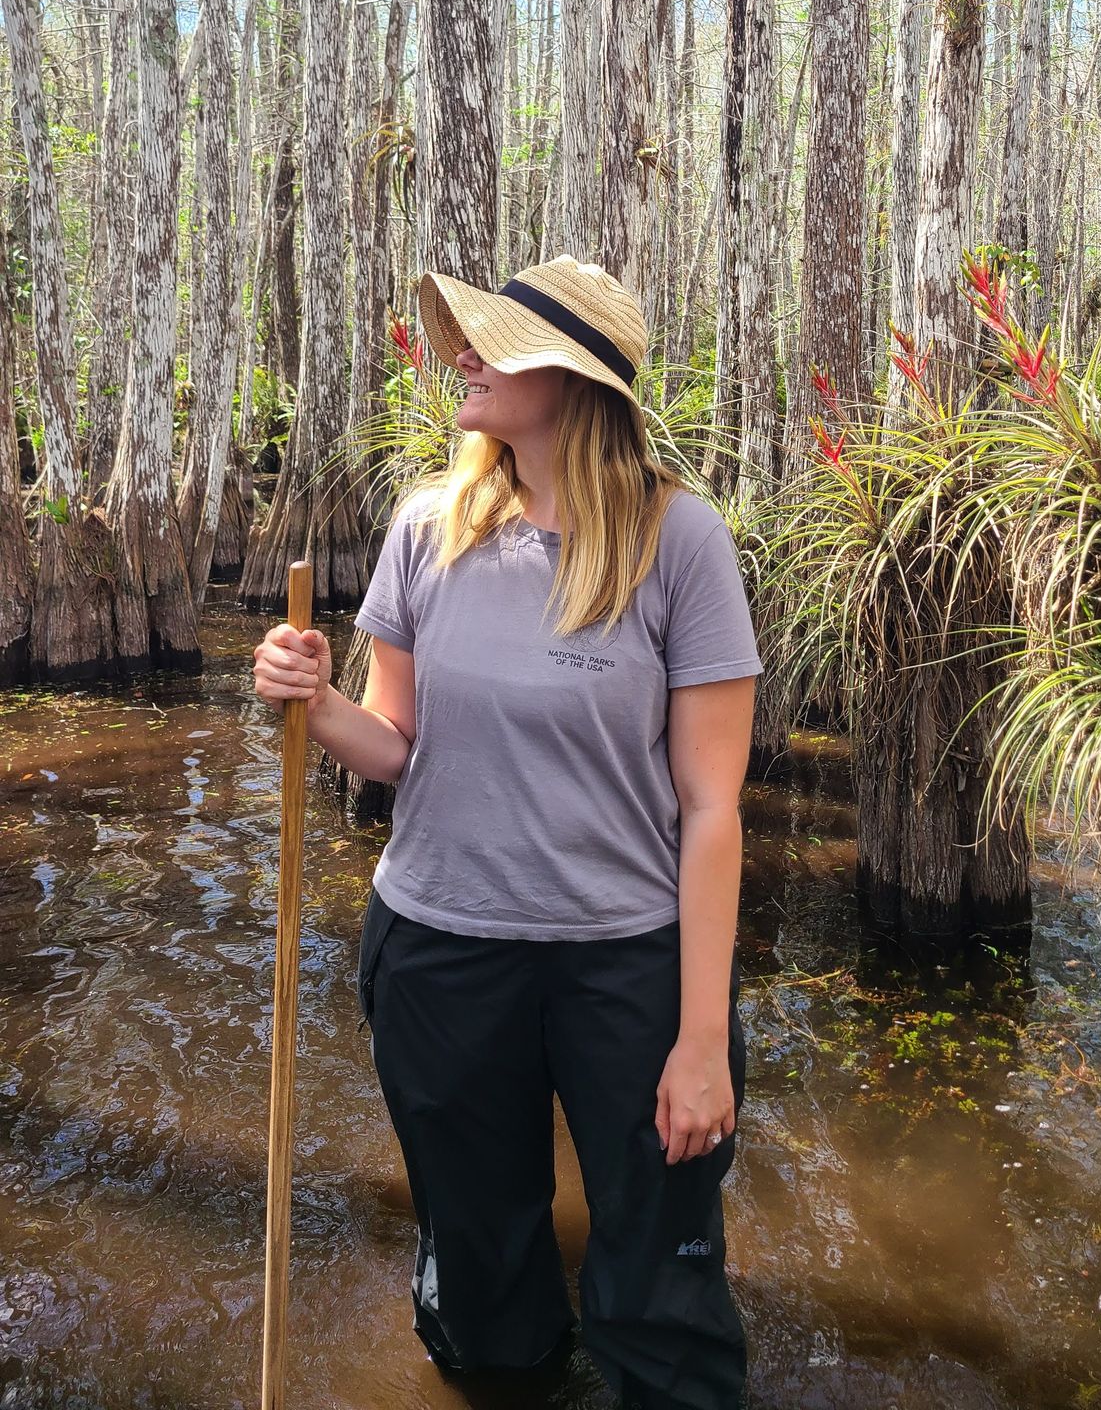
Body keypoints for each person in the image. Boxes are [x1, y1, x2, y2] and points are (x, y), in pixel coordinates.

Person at [252, 254, 761, 1408]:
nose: (463, 359)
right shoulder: (430, 526)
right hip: (439, 947)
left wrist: (697, 1043)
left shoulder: (679, 542)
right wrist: (313, 699)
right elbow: (398, 744)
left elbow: (713, 806)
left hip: (627, 963)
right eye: (468, 339)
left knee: (661, 1284)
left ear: (575, 385)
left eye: (494, 346)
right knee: (478, 1276)